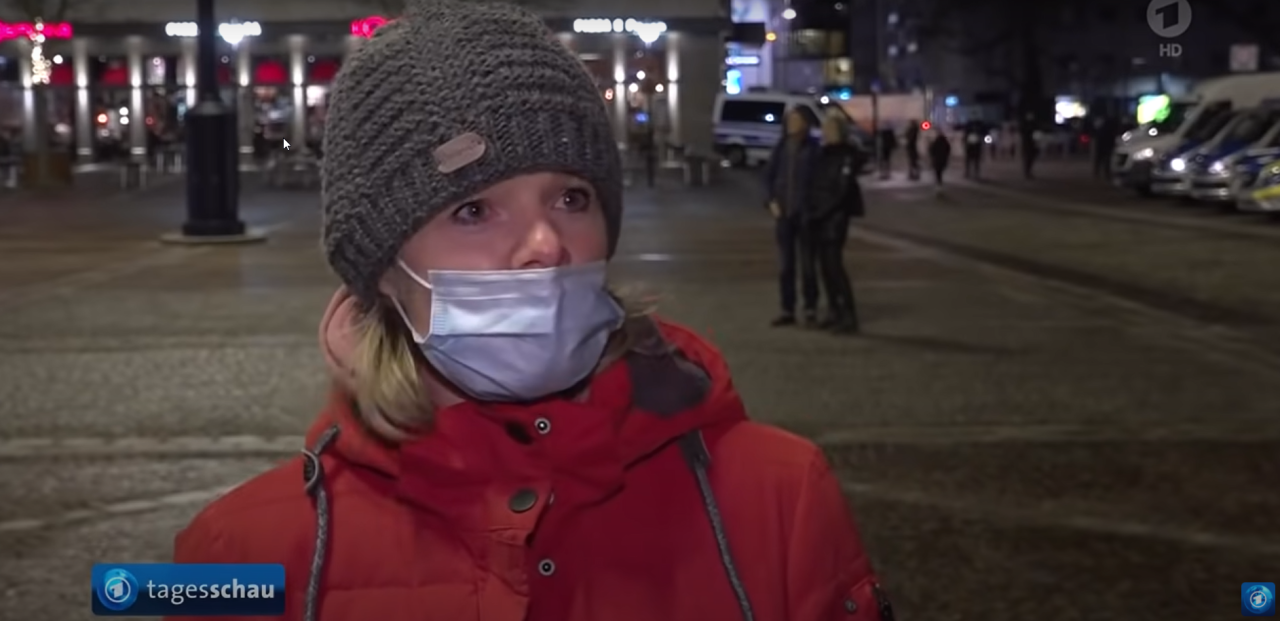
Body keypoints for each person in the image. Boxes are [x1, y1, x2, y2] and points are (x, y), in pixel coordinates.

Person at [165, 2, 893, 621]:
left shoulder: (780, 496)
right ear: (382, 265)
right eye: (475, 208)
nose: (544, 244)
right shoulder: (241, 554)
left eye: (571, 198)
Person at [764, 108, 821, 327]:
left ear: (805, 124)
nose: (792, 124)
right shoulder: (781, 148)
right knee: (786, 265)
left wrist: (813, 208)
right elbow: (768, 177)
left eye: (796, 120)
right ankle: (787, 308)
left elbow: (818, 182)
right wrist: (771, 201)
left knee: (808, 265)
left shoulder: (813, 149)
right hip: (784, 215)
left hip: (805, 215)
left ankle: (810, 308)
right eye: (790, 120)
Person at [807, 114, 865, 333]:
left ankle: (848, 314)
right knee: (825, 267)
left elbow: (840, 190)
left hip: (834, 219)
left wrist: (822, 211)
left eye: (830, 129)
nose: (826, 133)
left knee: (834, 267)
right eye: (825, 129)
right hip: (820, 217)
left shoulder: (845, 156)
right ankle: (834, 310)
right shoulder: (824, 154)